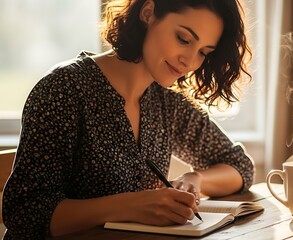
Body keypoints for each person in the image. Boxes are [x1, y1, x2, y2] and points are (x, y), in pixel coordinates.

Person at [2, 0, 255, 238]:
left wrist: (195, 179)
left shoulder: (166, 101)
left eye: (203, 52)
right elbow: (25, 214)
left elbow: (240, 166)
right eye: (183, 39)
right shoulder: (64, 89)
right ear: (148, 13)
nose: (189, 61)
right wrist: (132, 206)